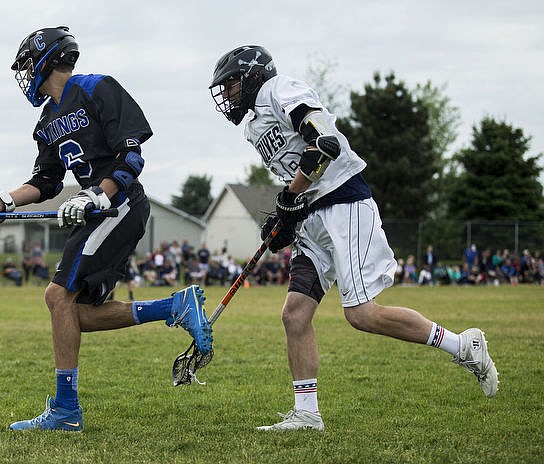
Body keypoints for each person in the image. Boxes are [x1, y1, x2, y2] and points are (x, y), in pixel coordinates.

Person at [208, 45, 498, 431]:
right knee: (294, 314)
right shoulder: (253, 126)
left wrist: (289, 198)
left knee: (361, 315)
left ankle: (464, 345)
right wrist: (287, 218)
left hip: (344, 203)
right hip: (314, 215)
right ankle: (307, 414)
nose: (227, 94)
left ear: (253, 75)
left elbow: (324, 146)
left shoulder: (280, 90)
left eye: (230, 83)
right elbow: (296, 173)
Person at [0, 26, 212, 432]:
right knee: (77, 313)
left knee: (56, 296)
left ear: (46, 59)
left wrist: (99, 193)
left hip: (119, 205)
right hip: (96, 211)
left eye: (27, 65)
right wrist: (1, 203)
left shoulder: (97, 87)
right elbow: (46, 181)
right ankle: (174, 307)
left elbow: (132, 156)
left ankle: (65, 411)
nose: (26, 75)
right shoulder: (46, 121)